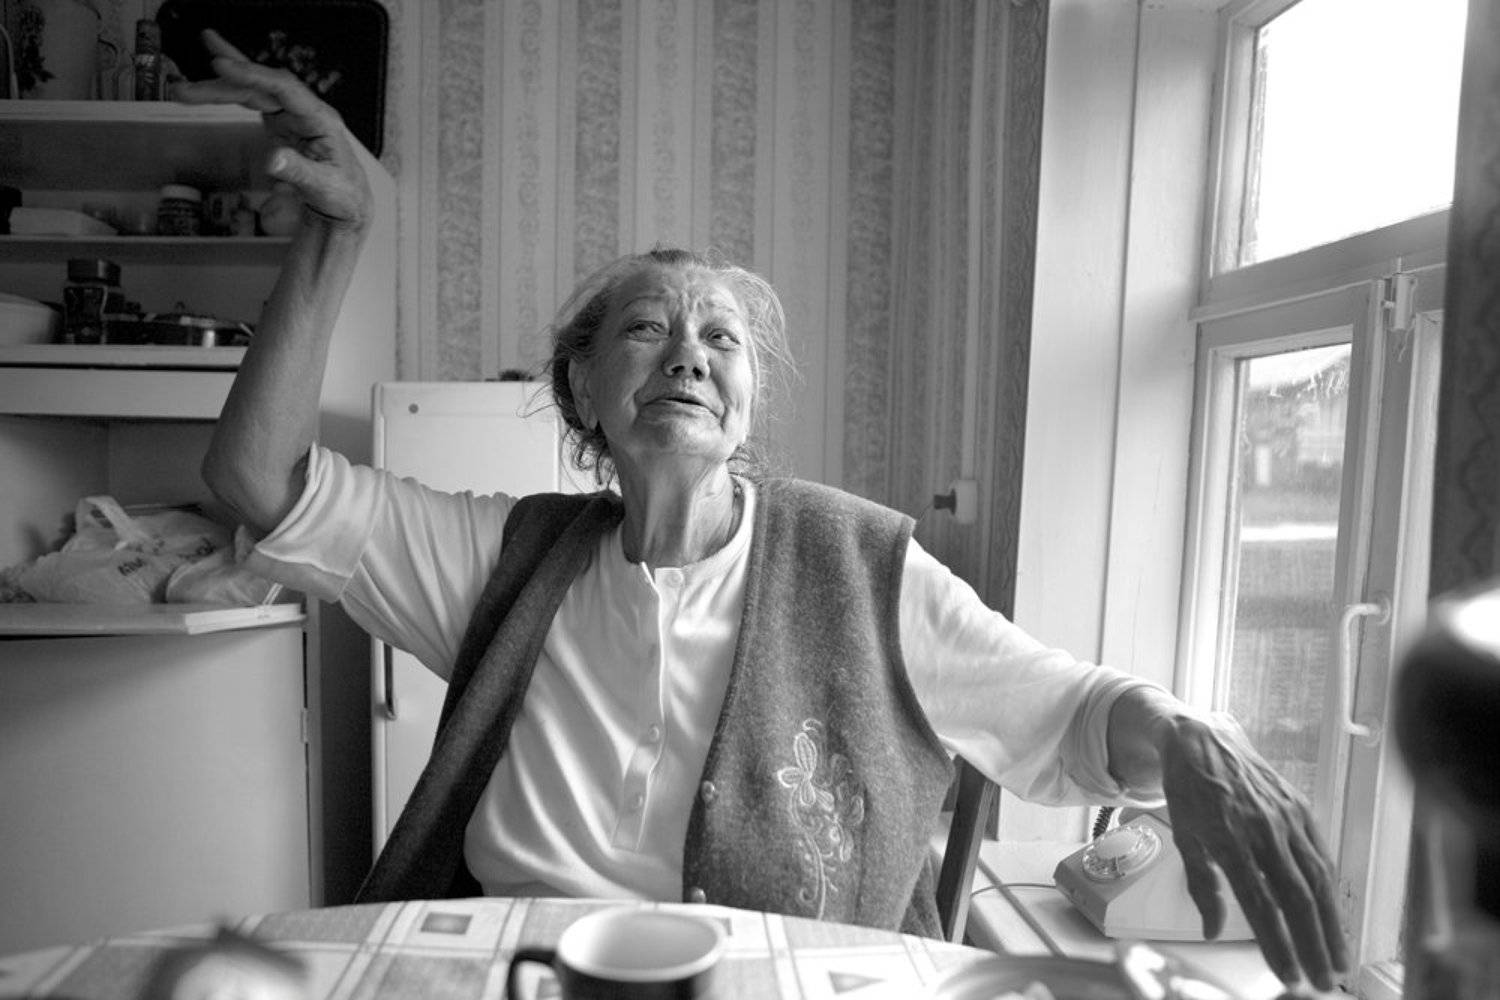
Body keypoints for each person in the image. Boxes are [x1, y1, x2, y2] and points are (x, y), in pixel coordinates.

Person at [175, 30, 1347, 993]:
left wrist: (1185, 734)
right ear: (583, 386)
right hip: (522, 971)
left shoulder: (864, 565)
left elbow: (1071, 711)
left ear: (748, 401)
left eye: (720, 337)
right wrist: (337, 236)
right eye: (647, 327)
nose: (687, 352)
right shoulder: (506, 560)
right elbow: (257, 478)